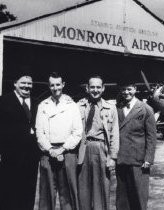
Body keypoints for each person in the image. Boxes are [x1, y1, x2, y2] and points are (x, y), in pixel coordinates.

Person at [35, 72, 83, 210]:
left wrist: (62, 149)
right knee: (46, 195)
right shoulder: (43, 105)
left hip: (67, 153)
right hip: (47, 153)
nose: (55, 88)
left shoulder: (71, 105)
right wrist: (51, 150)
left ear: (63, 85)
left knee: (67, 195)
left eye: (58, 84)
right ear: (49, 86)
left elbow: (77, 132)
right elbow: (40, 132)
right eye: (52, 85)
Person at [77, 75, 119, 210]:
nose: (95, 90)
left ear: (103, 89)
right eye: (92, 87)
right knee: (83, 189)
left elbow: (115, 134)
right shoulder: (79, 106)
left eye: (98, 87)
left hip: (101, 148)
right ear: (87, 89)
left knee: (102, 188)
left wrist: (112, 157)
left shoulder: (110, 108)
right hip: (83, 149)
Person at [0, 72, 40, 210]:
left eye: (29, 83)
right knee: (9, 193)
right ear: (15, 83)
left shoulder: (36, 102)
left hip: (31, 158)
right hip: (10, 157)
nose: (26, 86)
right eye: (23, 83)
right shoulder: (4, 101)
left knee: (28, 193)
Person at [116, 80, 157, 210]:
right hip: (121, 159)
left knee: (139, 197)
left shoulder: (146, 109)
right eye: (123, 89)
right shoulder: (117, 108)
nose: (126, 92)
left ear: (134, 88)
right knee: (122, 199)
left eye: (129, 89)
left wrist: (148, 158)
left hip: (138, 161)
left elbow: (151, 136)